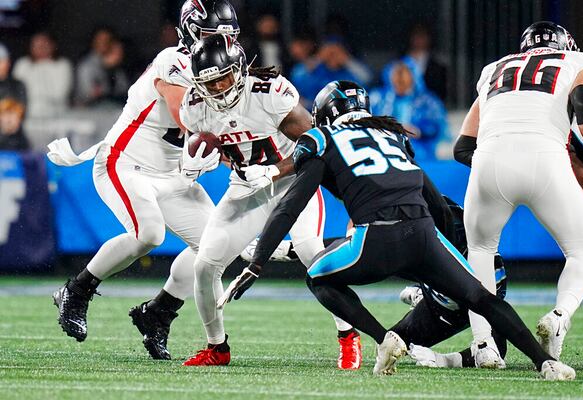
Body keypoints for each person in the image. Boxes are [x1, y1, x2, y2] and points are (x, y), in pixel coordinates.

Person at [220, 80, 576, 380]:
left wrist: (257, 263)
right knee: (482, 298)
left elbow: (289, 205)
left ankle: (382, 338)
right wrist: (451, 257)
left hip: (376, 238)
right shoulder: (392, 135)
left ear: (326, 114)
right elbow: (430, 195)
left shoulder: (322, 139)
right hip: (423, 235)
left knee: (319, 277)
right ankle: (546, 363)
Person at [48, 0, 239, 360]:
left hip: (170, 174)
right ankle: (77, 291)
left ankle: (159, 312)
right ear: (191, 31)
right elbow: (188, 120)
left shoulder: (226, 66)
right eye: (214, 36)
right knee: (149, 233)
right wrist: (224, 147)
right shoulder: (174, 60)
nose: (223, 46)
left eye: (229, 37)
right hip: (125, 162)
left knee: (217, 247)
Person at [178, 34, 360, 369]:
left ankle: (348, 335)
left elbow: (318, 145)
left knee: (310, 249)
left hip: (294, 180)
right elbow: (210, 148)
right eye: (210, 83)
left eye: (224, 78)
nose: (218, 88)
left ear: (240, 70)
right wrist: (195, 163)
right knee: (204, 266)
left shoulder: (268, 93)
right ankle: (216, 347)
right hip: (246, 187)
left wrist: (274, 171)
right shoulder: (193, 106)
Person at [454, 21, 583, 367]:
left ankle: (484, 346)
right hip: (545, 157)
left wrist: (501, 160)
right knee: (582, 253)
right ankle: (559, 318)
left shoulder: (495, 69)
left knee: (480, 252)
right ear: (567, 45)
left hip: (488, 159)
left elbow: (462, 147)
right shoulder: (582, 61)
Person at [370, 60, 450, 160]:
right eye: (397, 81)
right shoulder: (378, 98)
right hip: (385, 151)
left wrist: (418, 131)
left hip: (421, 152)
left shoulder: (428, 101)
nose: (400, 82)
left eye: (403, 80)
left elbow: (437, 127)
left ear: (413, 78)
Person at [12, 32, 72, 119]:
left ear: (52, 45)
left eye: (43, 44)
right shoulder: (23, 64)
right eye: (35, 45)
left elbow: (59, 94)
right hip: (27, 115)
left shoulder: (62, 65)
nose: (39, 48)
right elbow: (17, 90)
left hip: (56, 115)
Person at [74, 28, 130, 107]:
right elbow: (87, 94)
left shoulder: (117, 67)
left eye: (108, 40)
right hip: (90, 110)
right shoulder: (86, 65)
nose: (104, 43)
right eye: (100, 40)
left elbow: (124, 90)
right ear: (93, 41)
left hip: (114, 109)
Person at [404, 24, 448, 102]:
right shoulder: (400, 62)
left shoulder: (438, 67)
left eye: (422, 36)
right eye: (416, 36)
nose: (419, 40)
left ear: (428, 38)